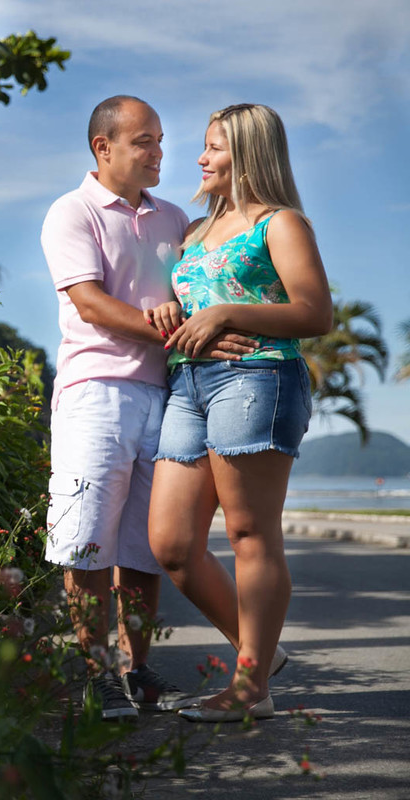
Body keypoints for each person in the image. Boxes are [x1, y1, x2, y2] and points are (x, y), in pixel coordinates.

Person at [40, 96, 256, 720]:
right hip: (94, 393)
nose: (159, 153)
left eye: (161, 140)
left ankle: (137, 672)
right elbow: (91, 305)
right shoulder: (71, 211)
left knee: (140, 546)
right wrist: (187, 333)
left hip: (163, 394)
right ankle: (96, 673)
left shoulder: (174, 220)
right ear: (102, 148)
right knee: (85, 541)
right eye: (144, 142)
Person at [144, 103, 332, 722]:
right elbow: (181, 304)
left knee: (252, 534)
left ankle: (251, 686)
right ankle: (261, 656)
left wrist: (226, 313)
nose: (200, 158)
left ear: (248, 154)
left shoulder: (281, 223)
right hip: (187, 385)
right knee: (171, 543)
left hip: (257, 378)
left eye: (214, 147)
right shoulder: (194, 233)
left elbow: (314, 314)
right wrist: (169, 313)